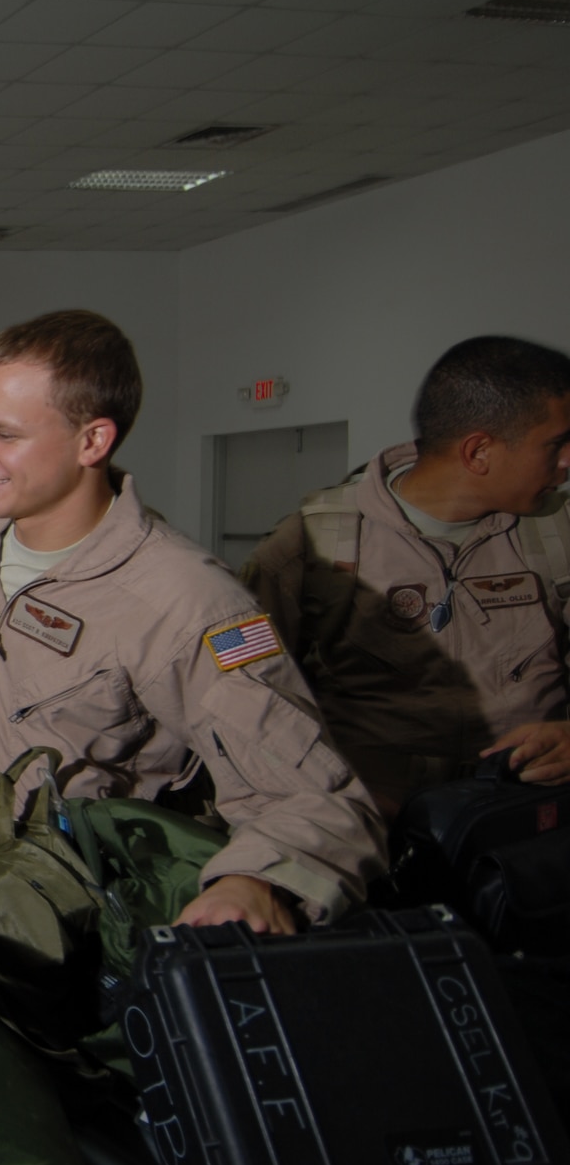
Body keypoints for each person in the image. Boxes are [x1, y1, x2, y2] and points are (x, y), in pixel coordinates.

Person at [0, 311, 385, 933]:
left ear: (93, 442)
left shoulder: (188, 603)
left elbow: (316, 797)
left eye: (3, 434)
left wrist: (251, 882)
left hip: (73, 917)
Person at [244, 336, 570, 814]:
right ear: (478, 452)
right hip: (375, 829)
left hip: (525, 821)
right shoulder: (309, 544)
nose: (568, 464)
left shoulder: (558, 532)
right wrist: (313, 783)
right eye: (558, 445)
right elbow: (236, 684)